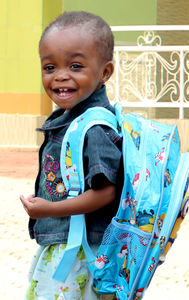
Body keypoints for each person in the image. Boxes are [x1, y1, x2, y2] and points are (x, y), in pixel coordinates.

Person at [20, 11, 123, 300]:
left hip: (79, 252)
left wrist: (47, 209)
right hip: (67, 246)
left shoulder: (94, 128)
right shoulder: (69, 119)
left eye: (76, 66)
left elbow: (105, 193)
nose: (61, 76)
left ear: (105, 72)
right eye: (49, 67)